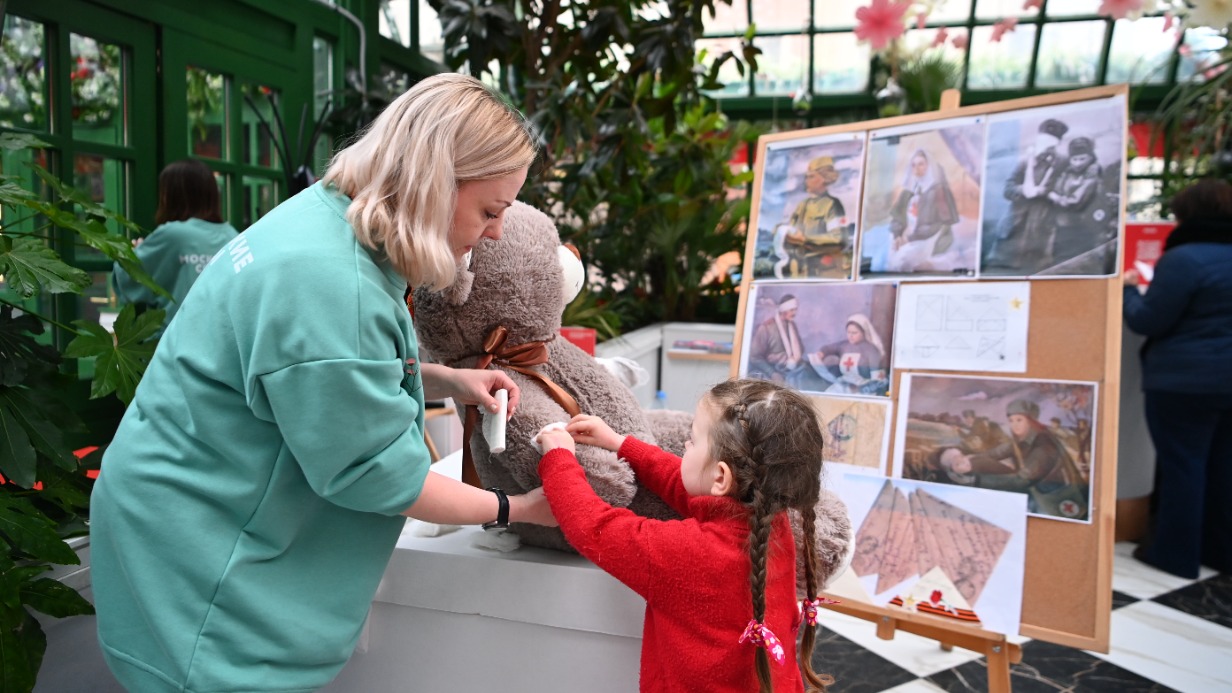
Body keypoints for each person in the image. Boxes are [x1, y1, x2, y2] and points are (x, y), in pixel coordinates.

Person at [89, 74, 558, 692]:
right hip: (208, 578)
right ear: (433, 183)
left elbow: (309, 378)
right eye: (490, 210)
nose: (495, 232)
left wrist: (448, 380)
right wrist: (519, 509)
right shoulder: (336, 283)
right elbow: (379, 476)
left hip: (181, 528)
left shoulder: (325, 224)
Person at [536, 378, 833, 693]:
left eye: (692, 440)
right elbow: (688, 485)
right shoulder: (771, 522)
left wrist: (558, 457)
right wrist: (621, 444)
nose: (685, 448)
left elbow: (594, 526)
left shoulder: (691, 553)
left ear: (721, 476)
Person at [1123, 178, 1232, 578]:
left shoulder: (1184, 260)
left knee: (1183, 465)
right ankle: (1219, 552)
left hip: (1184, 381)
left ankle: (1175, 553)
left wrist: (1128, 293)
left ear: (1187, 215)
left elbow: (1150, 319)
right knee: (1223, 467)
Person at [111, 158, 238, 332]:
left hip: (176, 345)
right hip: (222, 340)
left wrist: (135, 252)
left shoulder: (173, 234)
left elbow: (127, 279)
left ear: (170, 195)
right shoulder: (232, 234)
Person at [940, 399, 1089, 521]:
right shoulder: (1022, 441)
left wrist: (975, 481)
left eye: (1019, 420)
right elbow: (996, 453)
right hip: (1037, 493)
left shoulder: (1043, 445)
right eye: (1011, 420)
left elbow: (1021, 480)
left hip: (1052, 499)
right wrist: (970, 458)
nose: (1014, 425)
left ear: (1030, 421)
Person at [985, 118, 1067, 273]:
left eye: (1051, 144)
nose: (1046, 148)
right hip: (1012, 232)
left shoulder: (1062, 162)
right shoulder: (1025, 161)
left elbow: (1066, 192)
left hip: (1039, 236)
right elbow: (1008, 189)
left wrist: (1047, 193)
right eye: (1043, 141)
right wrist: (1023, 190)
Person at [886, 149, 961, 272]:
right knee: (891, 260)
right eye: (913, 165)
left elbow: (939, 226)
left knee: (902, 262)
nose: (917, 168)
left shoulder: (939, 191)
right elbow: (897, 218)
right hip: (907, 237)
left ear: (929, 166)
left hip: (928, 239)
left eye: (921, 164)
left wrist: (909, 238)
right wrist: (897, 235)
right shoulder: (908, 192)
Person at [780, 156, 850, 278]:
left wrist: (805, 239)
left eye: (811, 176)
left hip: (824, 272)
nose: (806, 180)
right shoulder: (802, 205)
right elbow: (791, 230)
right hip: (800, 271)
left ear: (824, 179)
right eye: (806, 177)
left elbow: (839, 238)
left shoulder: (833, 205)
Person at [1046, 136, 1104, 268]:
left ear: (1090, 157)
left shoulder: (1093, 175)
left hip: (1081, 229)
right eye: (1074, 159)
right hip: (1062, 227)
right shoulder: (1067, 172)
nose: (1078, 163)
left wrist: (1055, 197)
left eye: (1082, 159)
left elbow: (1075, 202)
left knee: (1076, 267)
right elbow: (1056, 187)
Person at [805, 313, 888, 396]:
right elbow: (829, 348)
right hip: (843, 386)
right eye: (848, 332)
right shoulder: (844, 346)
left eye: (854, 333)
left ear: (864, 332)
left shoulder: (871, 350)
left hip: (863, 390)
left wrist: (860, 388)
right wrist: (822, 353)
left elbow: (879, 381)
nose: (850, 336)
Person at [746, 294, 808, 386]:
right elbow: (755, 357)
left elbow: (801, 349)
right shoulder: (766, 327)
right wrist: (773, 373)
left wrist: (791, 359)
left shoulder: (792, 325)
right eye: (791, 310)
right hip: (773, 372)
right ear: (783, 310)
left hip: (793, 369)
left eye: (795, 309)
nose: (795, 313)